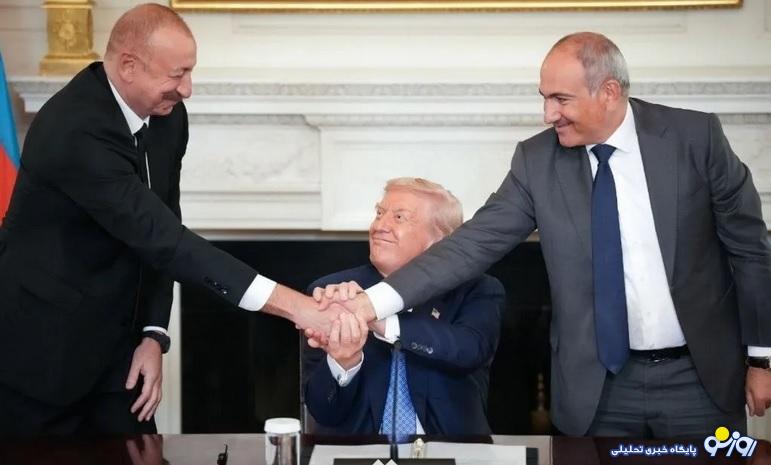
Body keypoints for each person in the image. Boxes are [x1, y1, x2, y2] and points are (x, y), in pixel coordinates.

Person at [319, 32, 771, 438]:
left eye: (561, 99)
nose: (548, 113)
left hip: (699, 378)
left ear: (609, 92)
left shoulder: (695, 138)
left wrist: (761, 358)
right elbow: (471, 245)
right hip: (598, 388)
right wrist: (370, 304)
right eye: (545, 98)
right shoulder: (537, 161)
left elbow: (751, 250)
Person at [0, 3, 337, 435]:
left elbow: (164, 221)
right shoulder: (75, 129)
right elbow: (166, 241)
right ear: (128, 66)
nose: (187, 89)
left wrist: (153, 333)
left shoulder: (167, 115)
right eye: (177, 74)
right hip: (40, 355)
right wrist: (297, 307)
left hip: (119, 350)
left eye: (190, 72)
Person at [303, 178, 503, 437]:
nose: (379, 227)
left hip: (451, 450)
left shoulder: (477, 289)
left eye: (399, 217)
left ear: (440, 241)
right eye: (379, 213)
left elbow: (469, 350)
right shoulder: (332, 293)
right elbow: (322, 411)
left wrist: (379, 318)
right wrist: (342, 363)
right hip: (358, 453)